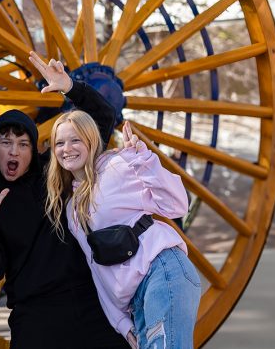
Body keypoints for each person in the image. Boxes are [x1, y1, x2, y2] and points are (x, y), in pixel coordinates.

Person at [0, 52, 128, 348]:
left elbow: (104, 118)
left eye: (23, 143)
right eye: (5, 142)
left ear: (34, 149)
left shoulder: (54, 173)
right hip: (35, 316)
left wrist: (70, 86)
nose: (14, 151)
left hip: (91, 304)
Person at [47, 113, 201, 349]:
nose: (67, 149)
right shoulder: (71, 209)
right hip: (136, 299)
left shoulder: (116, 167)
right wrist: (119, 321)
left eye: (75, 140)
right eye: (59, 143)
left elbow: (177, 205)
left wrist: (142, 161)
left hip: (162, 271)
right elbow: (96, 266)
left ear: (91, 141)